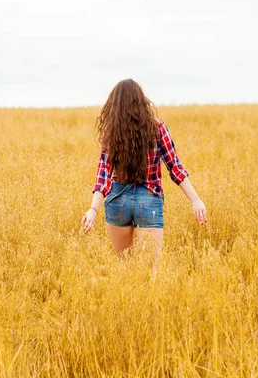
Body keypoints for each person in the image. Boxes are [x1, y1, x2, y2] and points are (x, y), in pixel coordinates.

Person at [81, 79, 207, 260]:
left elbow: (103, 175)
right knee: (150, 270)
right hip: (149, 200)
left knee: (125, 265)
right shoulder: (157, 128)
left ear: (114, 105)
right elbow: (175, 167)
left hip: (117, 201)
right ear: (142, 101)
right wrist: (195, 199)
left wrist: (93, 209)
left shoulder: (111, 132)